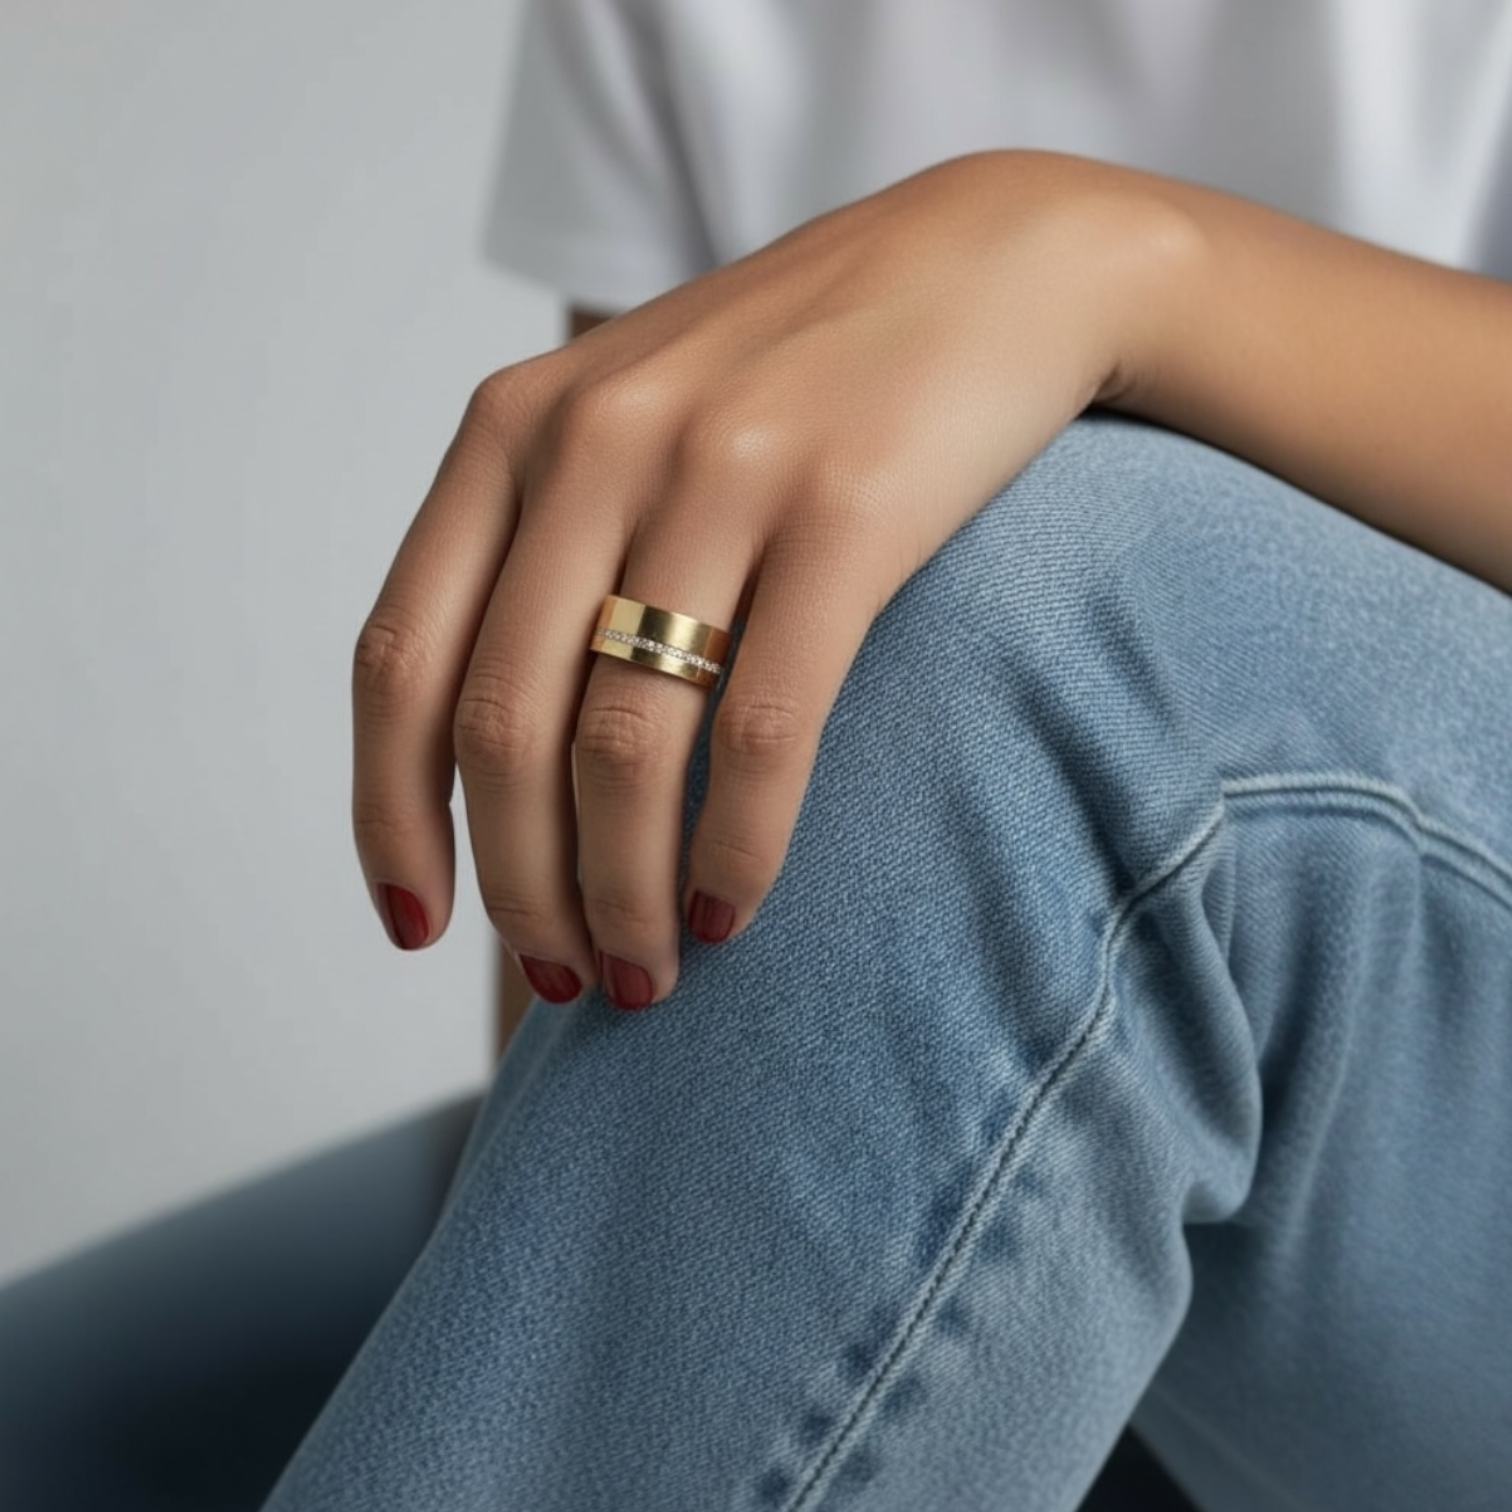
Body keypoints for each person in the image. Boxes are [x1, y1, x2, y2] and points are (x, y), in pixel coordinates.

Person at [6, 2, 1512, 1509]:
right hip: (915, 1033)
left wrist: (1120, 269)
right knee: (62, 1425)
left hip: (1398, 1112)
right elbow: (617, 650)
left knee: (1038, 633)